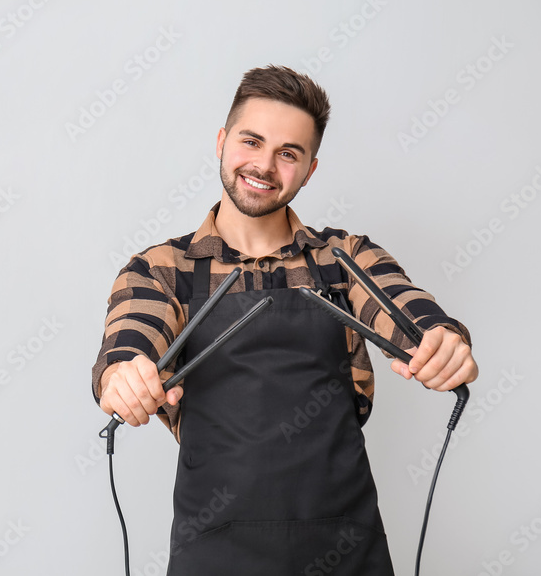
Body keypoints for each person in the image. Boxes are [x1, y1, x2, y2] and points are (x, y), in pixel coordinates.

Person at [91, 65, 478, 575]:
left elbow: (406, 309)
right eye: (252, 141)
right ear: (223, 141)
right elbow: (130, 340)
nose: (265, 165)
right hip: (215, 553)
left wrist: (441, 341)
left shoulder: (343, 259)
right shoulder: (164, 269)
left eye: (288, 153)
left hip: (346, 550)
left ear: (311, 168)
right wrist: (123, 376)